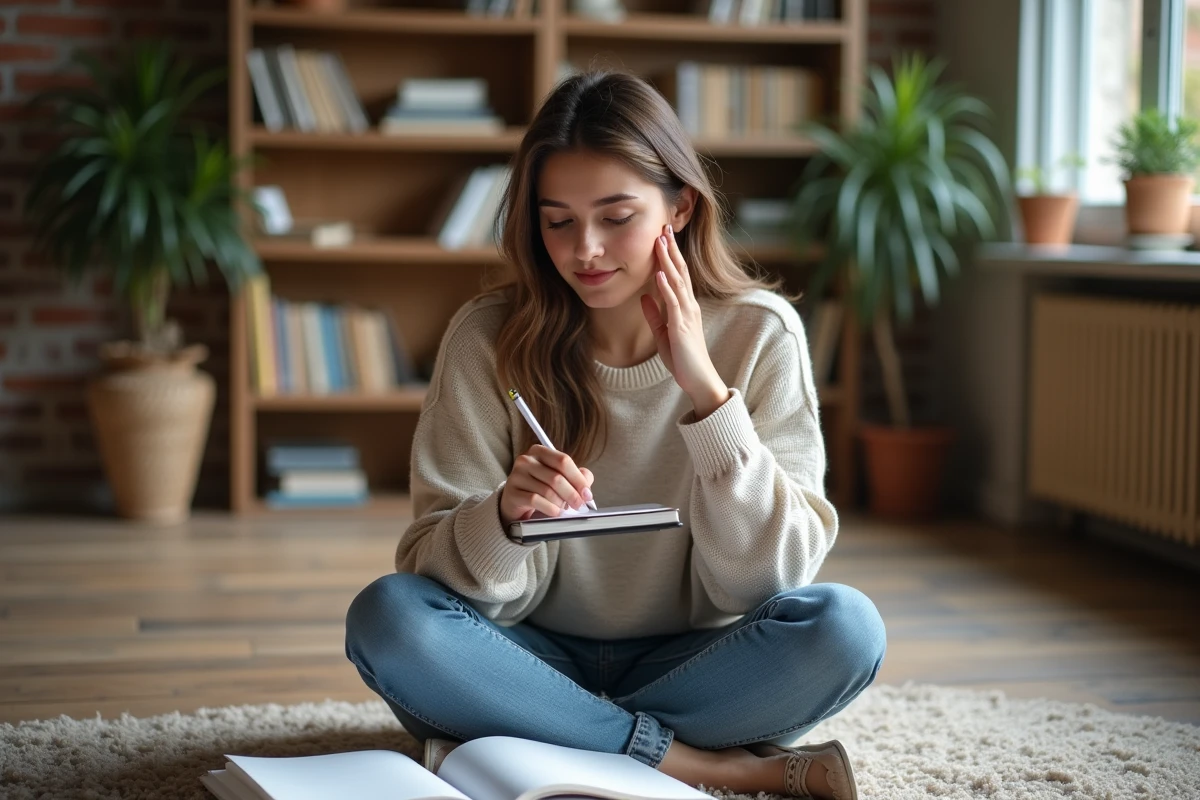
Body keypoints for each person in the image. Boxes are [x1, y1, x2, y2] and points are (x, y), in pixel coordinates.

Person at [345, 70, 886, 800]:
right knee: (388, 618)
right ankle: (699, 765)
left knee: (847, 629)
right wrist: (503, 518)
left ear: (682, 206)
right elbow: (426, 567)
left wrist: (705, 392)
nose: (586, 250)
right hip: (527, 652)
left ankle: (541, 738)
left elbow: (772, 581)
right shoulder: (486, 339)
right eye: (557, 220)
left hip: (699, 661)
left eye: (616, 215)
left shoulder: (761, 334)